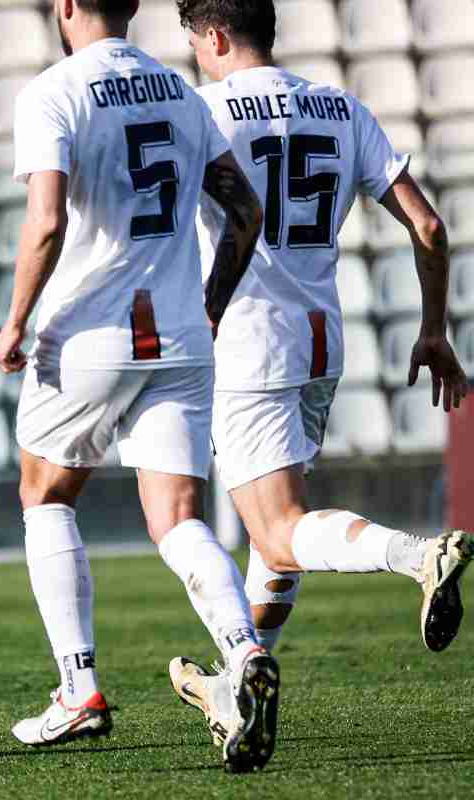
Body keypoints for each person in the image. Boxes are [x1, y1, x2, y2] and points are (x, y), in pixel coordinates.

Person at [168, 0, 472, 749]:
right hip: (320, 341)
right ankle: (241, 684)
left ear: (212, 37)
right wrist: (434, 329)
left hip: (247, 342)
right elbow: (429, 227)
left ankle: (417, 555)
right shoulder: (341, 106)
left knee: (277, 532)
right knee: (279, 540)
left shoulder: (201, 112)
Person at [0, 0, 275, 772]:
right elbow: (244, 210)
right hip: (181, 335)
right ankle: (243, 648)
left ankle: (79, 690)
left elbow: (46, 221)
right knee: (177, 517)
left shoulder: (55, 91)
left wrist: (15, 321)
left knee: (44, 495)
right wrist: (211, 306)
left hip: (90, 335)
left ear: (67, 8)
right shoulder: (183, 92)